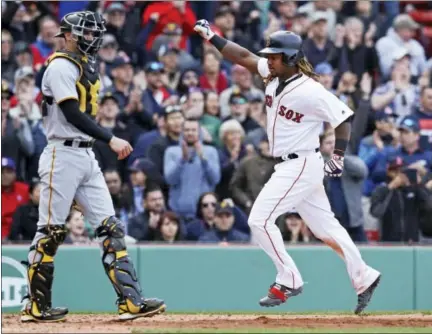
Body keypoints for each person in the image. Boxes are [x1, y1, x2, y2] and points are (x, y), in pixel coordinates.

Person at [194, 21, 381, 314]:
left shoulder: (310, 90)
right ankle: (364, 276)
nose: (269, 59)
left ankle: (289, 278)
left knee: (258, 220)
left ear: (292, 58)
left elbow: (343, 118)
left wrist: (339, 157)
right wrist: (212, 37)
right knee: (325, 227)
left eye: (275, 55)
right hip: (292, 164)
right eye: (269, 54)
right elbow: (243, 56)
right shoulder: (272, 74)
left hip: (300, 163)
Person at [20, 11, 165, 323]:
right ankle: (35, 305)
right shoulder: (60, 66)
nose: (92, 38)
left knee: (111, 228)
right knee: (51, 232)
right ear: (69, 34)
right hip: (62, 152)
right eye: (86, 33)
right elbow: (71, 112)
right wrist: (110, 138)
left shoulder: (86, 65)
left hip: (85, 155)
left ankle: (131, 302)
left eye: (93, 32)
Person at [164, 118, 221, 219]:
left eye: (193, 130)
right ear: (182, 132)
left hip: (203, 213)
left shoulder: (211, 151)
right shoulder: (171, 151)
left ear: (199, 132)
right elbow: (170, 180)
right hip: (178, 213)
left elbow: (215, 179)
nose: (190, 133)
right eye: (186, 130)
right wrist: (182, 160)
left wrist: (203, 160)